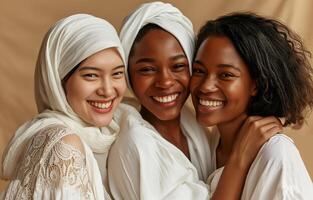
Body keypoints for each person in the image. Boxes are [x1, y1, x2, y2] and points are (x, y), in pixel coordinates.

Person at [108, 2, 282, 199]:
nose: (165, 82)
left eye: (178, 66)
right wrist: (239, 160)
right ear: (128, 75)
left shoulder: (193, 124)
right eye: (147, 69)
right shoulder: (137, 144)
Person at [0, 13, 130, 199]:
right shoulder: (64, 144)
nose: (108, 91)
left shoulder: (111, 130)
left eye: (117, 74)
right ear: (58, 81)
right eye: (91, 75)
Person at [190, 12, 313, 199]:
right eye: (199, 71)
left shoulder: (276, 155)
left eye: (226, 75)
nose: (205, 86)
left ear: (256, 84)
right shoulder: (212, 144)